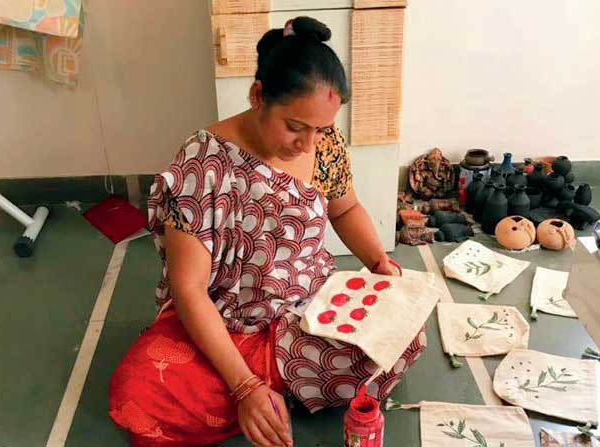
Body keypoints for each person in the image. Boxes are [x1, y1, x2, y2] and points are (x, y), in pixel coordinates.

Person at [108, 16, 426, 447]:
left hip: (306, 312)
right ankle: (264, 389)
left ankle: (265, 390)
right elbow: (189, 291)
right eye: (295, 127)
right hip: (225, 322)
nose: (308, 144)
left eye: (321, 130)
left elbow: (345, 207)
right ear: (258, 95)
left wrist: (378, 263)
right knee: (139, 393)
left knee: (403, 337)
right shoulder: (202, 163)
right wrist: (244, 385)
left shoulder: (322, 146)